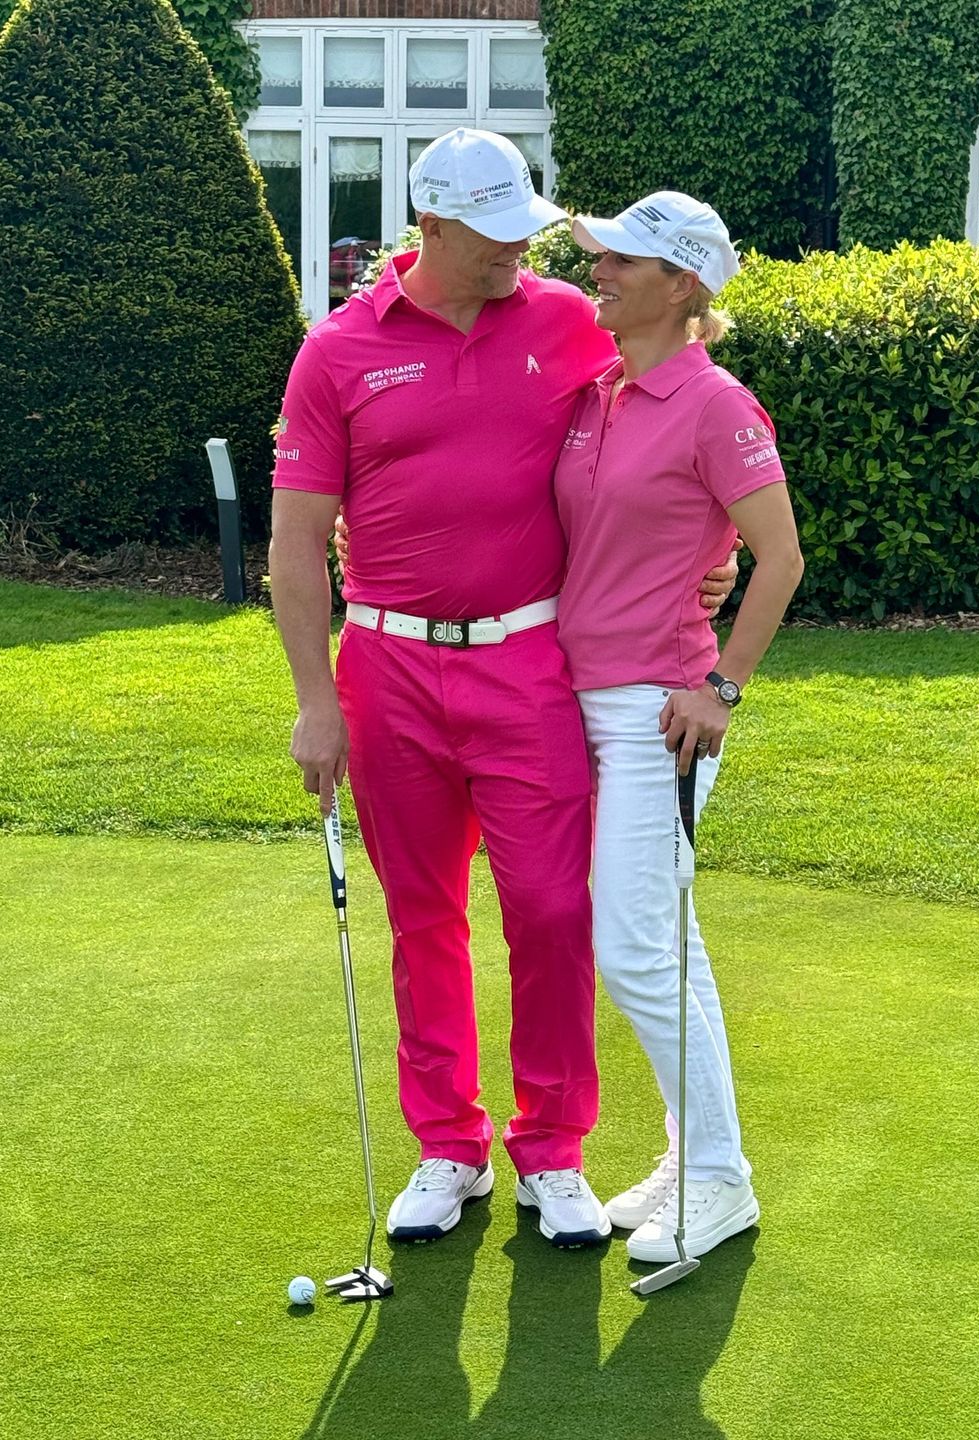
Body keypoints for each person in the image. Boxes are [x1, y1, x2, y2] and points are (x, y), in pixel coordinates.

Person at [269, 130, 737, 1250]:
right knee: (423, 914)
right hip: (383, 668)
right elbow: (295, 547)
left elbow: (684, 423)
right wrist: (313, 701)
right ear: (432, 226)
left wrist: (706, 556)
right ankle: (448, 1146)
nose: (526, 245)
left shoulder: (570, 324)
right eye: (500, 230)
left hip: (532, 668)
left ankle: (555, 1150)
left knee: (552, 910)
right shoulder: (336, 351)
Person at [557, 192, 804, 1264]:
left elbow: (780, 559)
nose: (601, 269)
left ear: (685, 284)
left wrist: (723, 688)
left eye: (625, 258)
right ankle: (687, 1153)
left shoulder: (717, 405)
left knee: (638, 952)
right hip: (576, 703)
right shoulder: (599, 392)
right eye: (602, 253)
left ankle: (721, 1180)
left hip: (661, 714)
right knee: (663, 948)